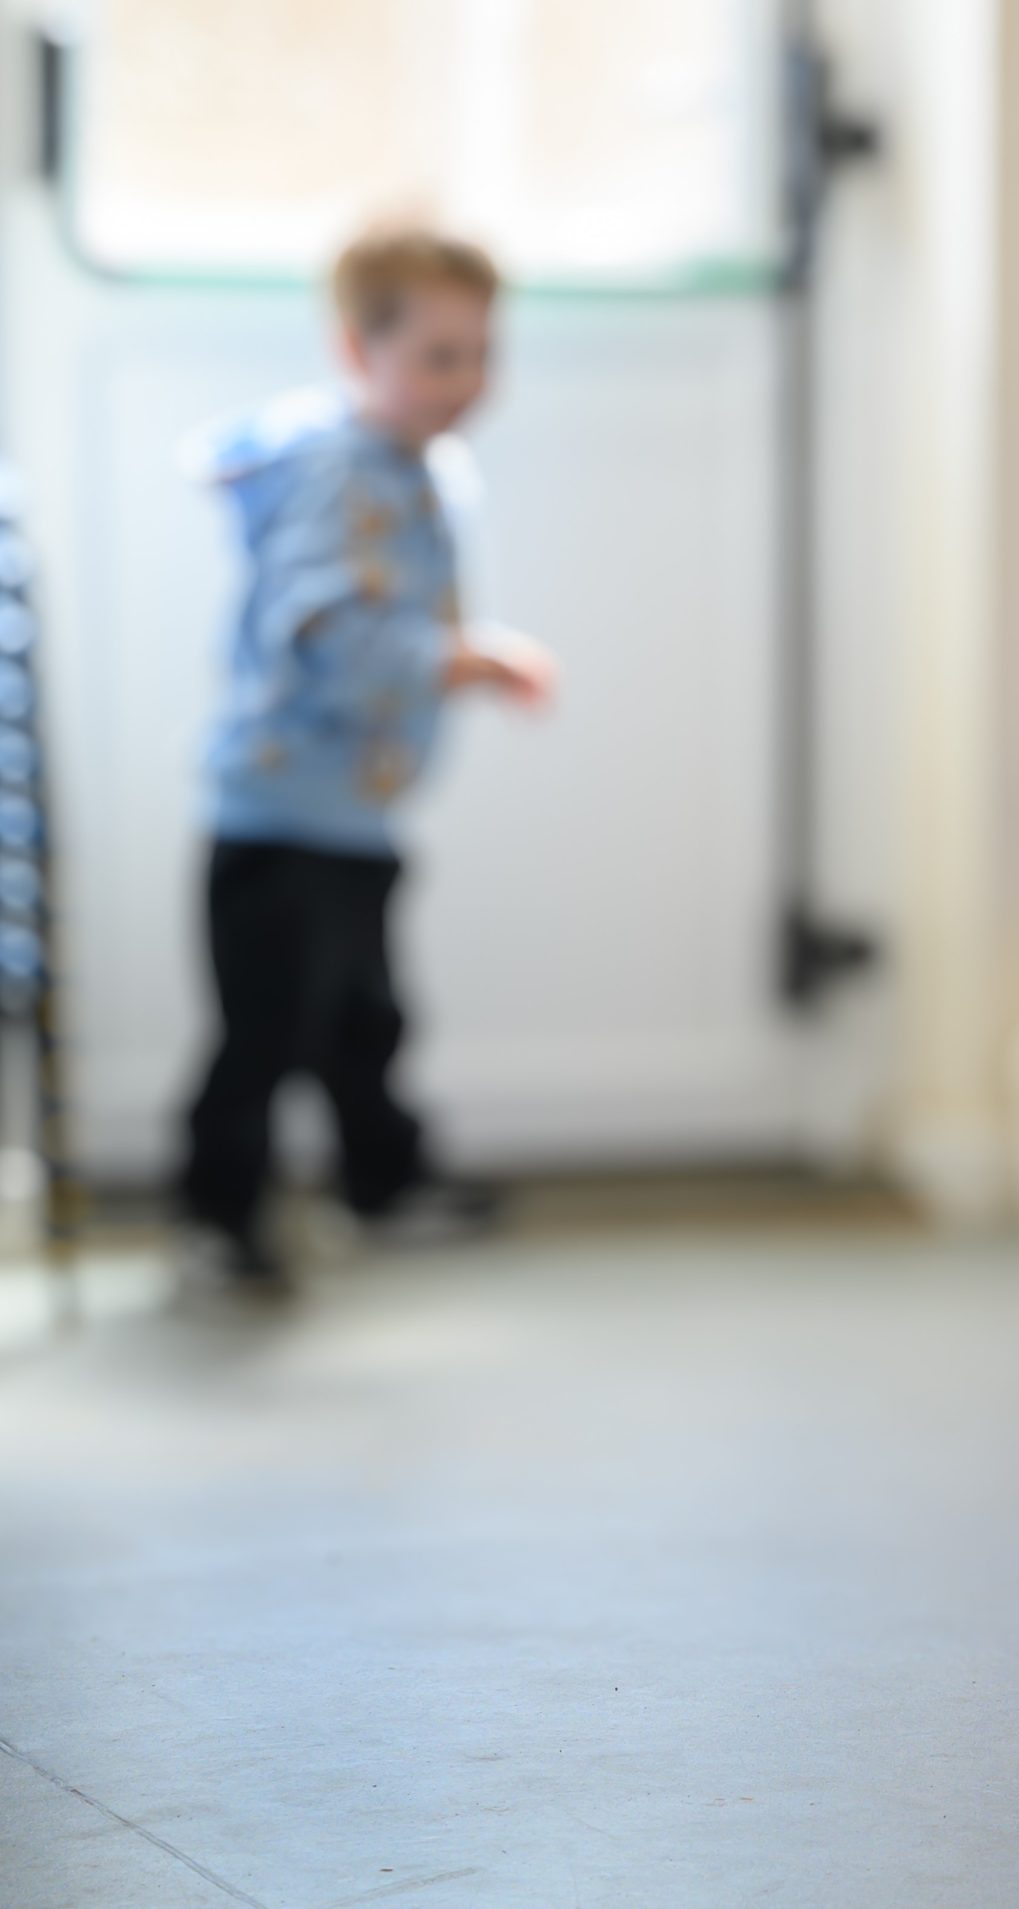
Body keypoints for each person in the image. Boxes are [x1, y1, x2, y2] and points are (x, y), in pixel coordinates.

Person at [176, 220, 556, 1283]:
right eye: (439, 356)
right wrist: (459, 658)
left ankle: (382, 1181)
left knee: (366, 1021)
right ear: (357, 350)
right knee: (266, 1032)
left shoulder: (414, 465)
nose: (468, 381)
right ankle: (219, 1218)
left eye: (482, 353)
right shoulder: (341, 476)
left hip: (355, 811)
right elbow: (325, 629)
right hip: (282, 813)